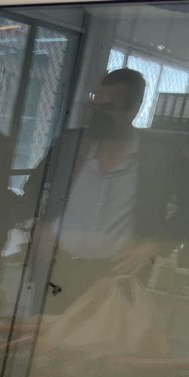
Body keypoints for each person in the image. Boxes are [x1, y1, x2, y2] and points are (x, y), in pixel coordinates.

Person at [27, 68, 189, 311]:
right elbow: (32, 187)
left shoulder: (158, 157)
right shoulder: (72, 144)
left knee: (101, 335)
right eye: (97, 103)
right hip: (57, 268)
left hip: (116, 275)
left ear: (134, 109)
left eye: (109, 106)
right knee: (46, 331)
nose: (98, 113)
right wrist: (38, 225)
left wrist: (155, 244)